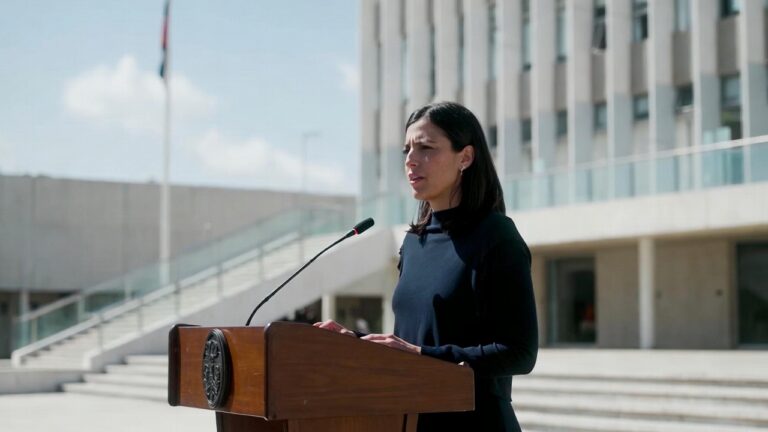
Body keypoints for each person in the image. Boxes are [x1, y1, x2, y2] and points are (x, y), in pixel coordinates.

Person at [315, 101, 538, 431]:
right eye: (407, 149)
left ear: (465, 157)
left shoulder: (496, 236)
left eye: (426, 148)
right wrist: (357, 341)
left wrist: (423, 354)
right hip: (410, 419)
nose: (410, 159)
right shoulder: (413, 243)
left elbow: (520, 353)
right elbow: (414, 343)